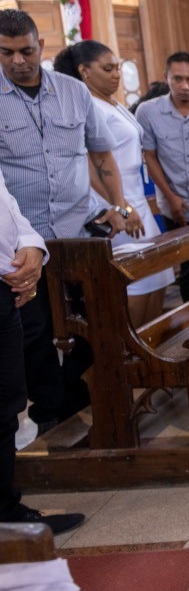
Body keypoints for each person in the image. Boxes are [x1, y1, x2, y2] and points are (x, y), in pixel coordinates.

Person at [0, 9, 128, 431]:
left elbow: (100, 152)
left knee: (93, 320)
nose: (18, 61)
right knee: (34, 332)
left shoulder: (74, 92)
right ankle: (50, 410)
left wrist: (119, 205)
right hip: (23, 239)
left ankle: (74, 395)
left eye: (26, 50)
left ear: (41, 46)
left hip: (76, 230)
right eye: (6, 52)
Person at [53, 40, 174, 327]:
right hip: (117, 205)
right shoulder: (85, 105)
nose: (116, 74)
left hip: (136, 200)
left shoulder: (112, 102)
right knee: (134, 283)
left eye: (117, 67)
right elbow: (89, 164)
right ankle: (128, 357)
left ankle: (148, 355)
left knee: (157, 278)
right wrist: (118, 207)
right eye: (107, 68)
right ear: (84, 70)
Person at [0, 169, 85, 535]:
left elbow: (8, 205)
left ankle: (6, 511)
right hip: (6, 276)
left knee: (7, 403)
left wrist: (32, 246)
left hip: (7, 288)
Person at [138, 51, 189, 300]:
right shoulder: (148, 112)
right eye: (178, 79)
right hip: (175, 202)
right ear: (166, 78)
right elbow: (149, 155)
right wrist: (170, 197)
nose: (185, 86)